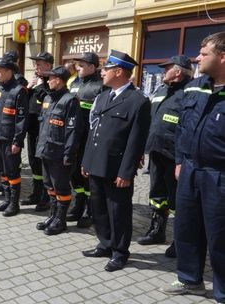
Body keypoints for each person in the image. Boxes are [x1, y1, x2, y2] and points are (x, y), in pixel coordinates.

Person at [160, 32, 225, 302]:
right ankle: (190, 280)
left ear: (223, 57)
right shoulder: (194, 87)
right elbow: (181, 128)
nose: (197, 57)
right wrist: (178, 161)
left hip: (219, 176)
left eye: (204, 53)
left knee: (220, 237)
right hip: (189, 170)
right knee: (186, 228)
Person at [81, 50, 151, 272]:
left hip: (116, 168)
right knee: (99, 207)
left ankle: (120, 252)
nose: (102, 72)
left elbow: (135, 141)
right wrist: (86, 161)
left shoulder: (138, 101)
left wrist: (126, 172)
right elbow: (94, 132)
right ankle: (105, 243)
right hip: (96, 163)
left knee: (118, 211)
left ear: (119, 71)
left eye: (106, 69)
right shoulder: (102, 96)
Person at [136, 55, 192, 258]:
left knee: (178, 201)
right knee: (157, 196)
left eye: (166, 68)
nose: (162, 71)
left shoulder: (189, 92)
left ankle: (180, 241)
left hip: (175, 157)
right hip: (157, 152)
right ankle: (157, 231)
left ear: (178, 71)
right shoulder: (162, 90)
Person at [34, 66, 82, 235]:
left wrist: (69, 153)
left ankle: (60, 221)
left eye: (51, 78)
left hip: (59, 153)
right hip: (45, 150)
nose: (48, 80)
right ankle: (53, 216)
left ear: (59, 80)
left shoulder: (70, 100)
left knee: (61, 187)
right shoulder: (48, 97)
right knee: (49, 185)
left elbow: (72, 130)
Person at [67, 52, 105, 228]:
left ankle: (90, 210)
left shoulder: (101, 86)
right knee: (74, 173)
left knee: (87, 174)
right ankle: (79, 204)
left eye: (82, 65)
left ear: (92, 67)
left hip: (89, 138)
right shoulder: (75, 83)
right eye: (78, 65)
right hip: (73, 136)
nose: (78, 68)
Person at [0, 53, 29, 217]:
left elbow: (21, 119)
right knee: (2, 170)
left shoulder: (19, 91)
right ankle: (6, 199)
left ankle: (14, 204)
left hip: (11, 139)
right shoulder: (0, 89)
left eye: (0, 70)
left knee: (12, 172)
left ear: (8, 72)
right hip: (0, 137)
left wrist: (17, 141)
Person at [24, 52, 54, 211]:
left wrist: (41, 86)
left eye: (39, 64)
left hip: (44, 131)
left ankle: (46, 197)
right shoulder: (37, 81)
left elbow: (50, 100)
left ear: (48, 65)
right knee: (33, 163)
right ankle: (36, 192)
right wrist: (29, 88)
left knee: (43, 164)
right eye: (36, 64)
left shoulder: (52, 81)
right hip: (32, 129)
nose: (36, 67)